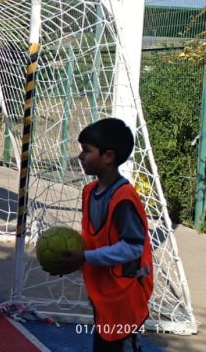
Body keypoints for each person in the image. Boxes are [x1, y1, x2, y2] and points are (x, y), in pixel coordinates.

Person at [52, 118, 153, 352]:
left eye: (86, 151)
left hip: (125, 297)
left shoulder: (124, 198)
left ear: (108, 157)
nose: (80, 156)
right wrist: (71, 260)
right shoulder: (89, 191)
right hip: (103, 294)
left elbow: (133, 247)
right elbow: (94, 240)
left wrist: (85, 257)